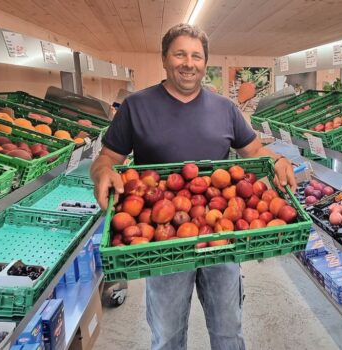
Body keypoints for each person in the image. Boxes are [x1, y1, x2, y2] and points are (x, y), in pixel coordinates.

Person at [91, 23, 297, 350]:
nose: (189, 63)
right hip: (163, 238)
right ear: (164, 58)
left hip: (221, 233)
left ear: (205, 62)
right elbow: (107, 158)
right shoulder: (136, 107)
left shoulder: (225, 109)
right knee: (168, 335)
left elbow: (255, 152)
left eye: (196, 56)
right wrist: (102, 172)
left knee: (229, 331)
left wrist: (278, 160)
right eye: (180, 54)